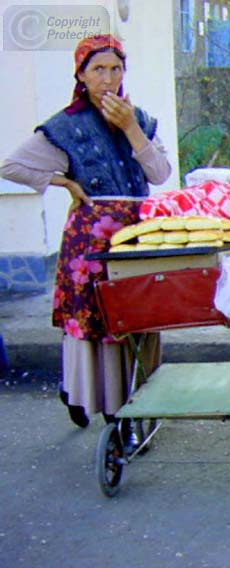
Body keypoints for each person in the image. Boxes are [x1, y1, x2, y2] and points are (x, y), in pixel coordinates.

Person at [1, 34, 171, 433]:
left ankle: (135, 400)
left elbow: (159, 174)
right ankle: (90, 399)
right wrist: (64, 182)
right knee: (96, 321)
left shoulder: (139, 120)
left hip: (136, 236)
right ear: (80, 74)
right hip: (91, 242)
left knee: (136, 318)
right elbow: (11, 166)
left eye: (115, 69)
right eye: (98, 70)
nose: (108, 78)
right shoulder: (65, 126)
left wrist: (130, 128)